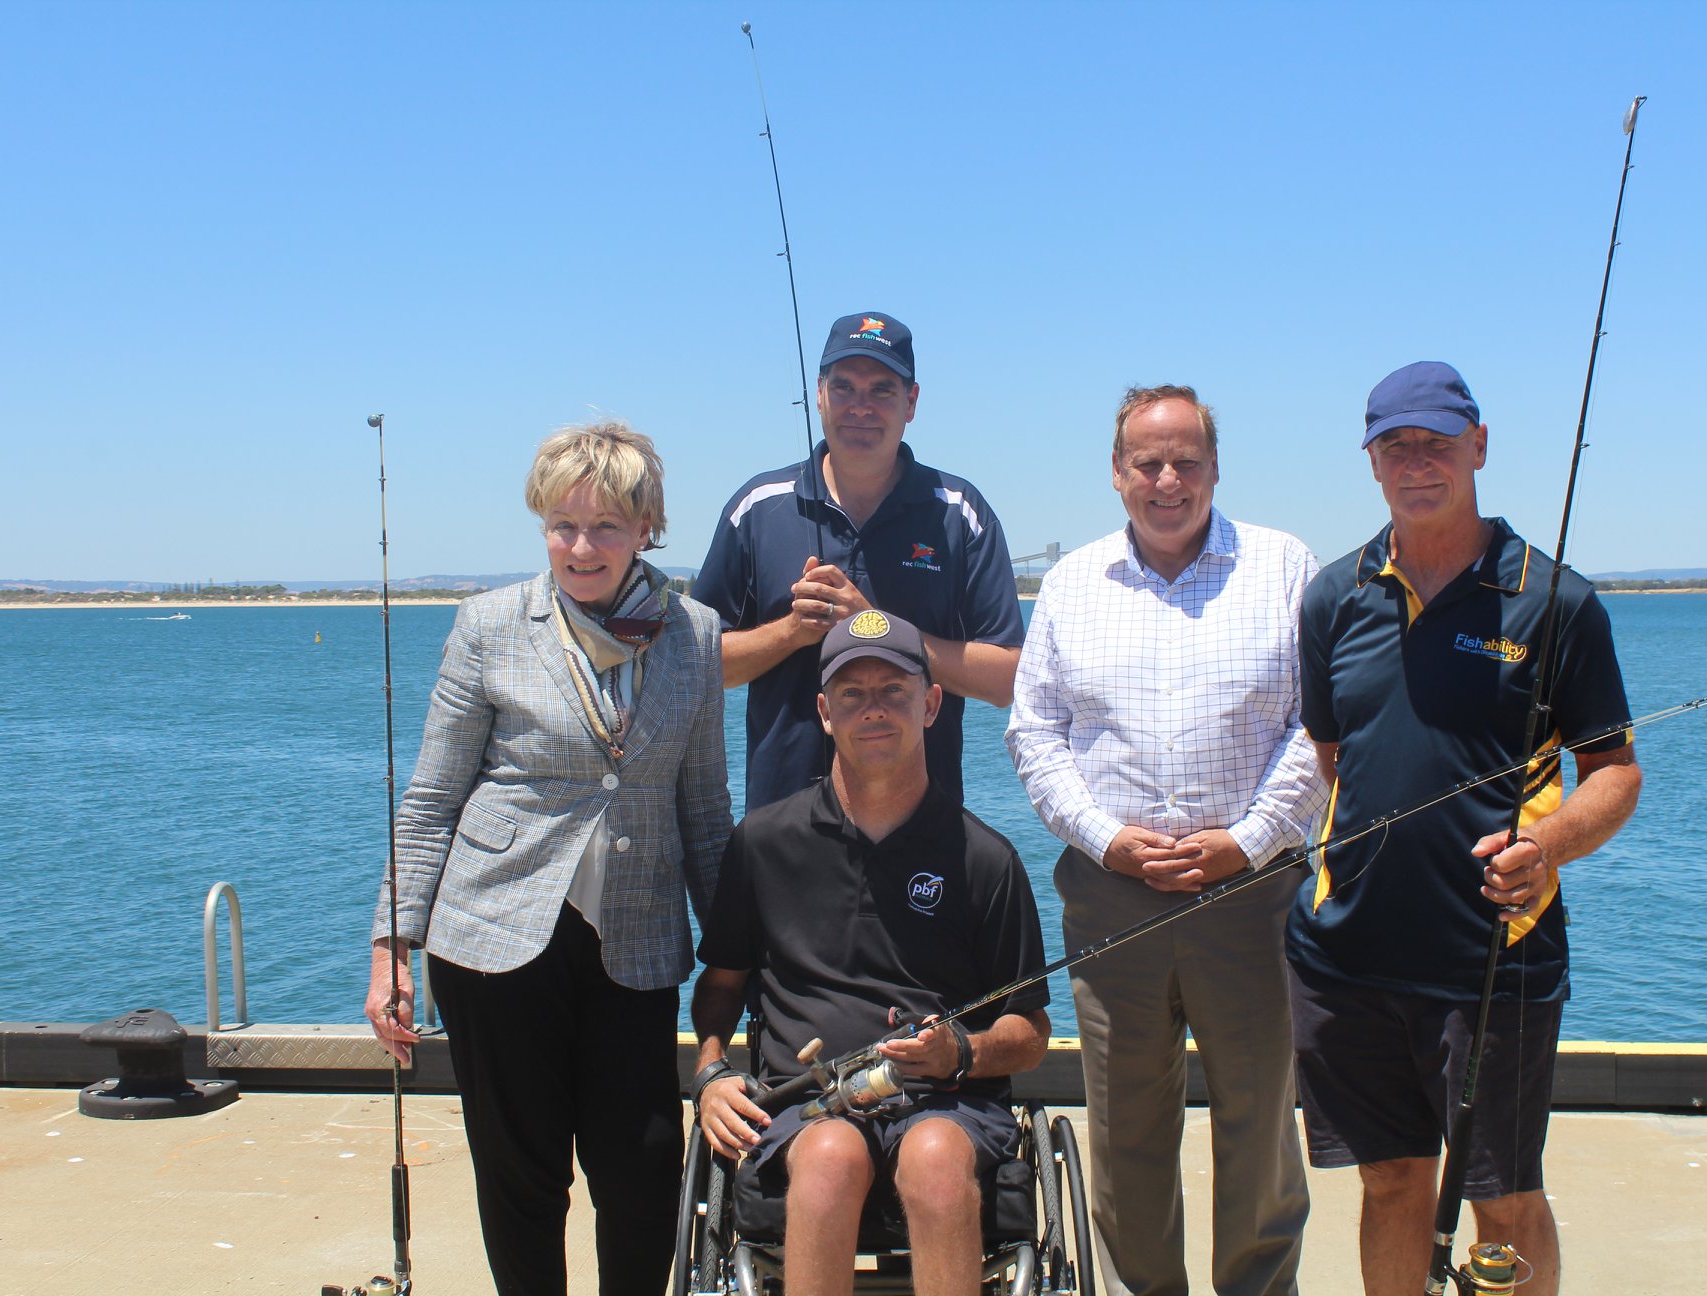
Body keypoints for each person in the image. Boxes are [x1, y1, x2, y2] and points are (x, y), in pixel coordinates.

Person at [1288, 362, 1642, 1296]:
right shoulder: (1331, 597)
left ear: (1478, 447)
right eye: (1396, 446)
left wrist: (1548, 847)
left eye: (1437, 443)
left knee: (1506, 1199)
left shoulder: (1556, 602)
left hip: (1495, 956)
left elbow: (1615, 772)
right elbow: (1333, 756)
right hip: (1344, 956)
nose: (1418, 463)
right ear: (1371, 461)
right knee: (1390, 1180)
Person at [364, 420, 732, 1296]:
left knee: (643, 1168)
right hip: (492, 937)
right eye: (563, 525)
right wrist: (391, 948)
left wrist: (738, 950)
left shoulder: (698, 636)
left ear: (646, 529)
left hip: (636, 944)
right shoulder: (489, 625)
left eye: (605, 526)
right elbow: (431, 800)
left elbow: (706, 811)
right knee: (522, 1176)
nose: (581, 547)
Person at [1006, 385, 1327, 1296]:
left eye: (1186, 460)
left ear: (1215, 468)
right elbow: (1036, 734)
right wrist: (1107, 840)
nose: (1168, 480)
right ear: (1117, 473)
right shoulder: (1072, 584)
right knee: (1126, 1133)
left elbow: (1319, 727)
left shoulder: (1285, 567)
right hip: (1113, 901)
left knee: (1261, 1128)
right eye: (1147, 462)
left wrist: (1250, 840)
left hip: (1254, 898)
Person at [691, 609, 1051, 1296]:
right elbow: (721, 984)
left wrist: (962, 1051)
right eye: (852, 694)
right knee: (829, 1155)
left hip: (950, 1105)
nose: (874, 709)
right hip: (807, 1104)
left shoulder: (987, 859)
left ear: (932, 704)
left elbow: (1030, 1032)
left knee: (936, 1155)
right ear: (825, 712)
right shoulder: (762, 842)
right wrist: (710, 1074)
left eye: (894, 690)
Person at [690, 310, 1025, 810]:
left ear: (911, 402)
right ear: (819, 394)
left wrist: (875, 626)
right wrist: (791, 631)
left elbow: (1006, 679)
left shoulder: (960, 512)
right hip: (783, 820)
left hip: (922, 822)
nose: (860, 407)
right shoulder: (757, 507)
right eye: (844, 387)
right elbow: (696, 665)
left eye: (882, 390)